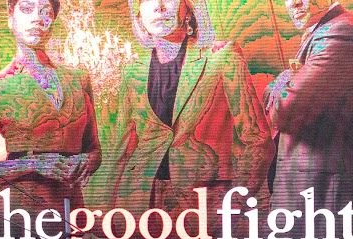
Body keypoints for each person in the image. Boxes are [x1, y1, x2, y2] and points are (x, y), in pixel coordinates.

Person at [88, 0, 270, 213]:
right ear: (138, 13)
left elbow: (257, 138)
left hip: (204, 203)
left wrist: (237, 199)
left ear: (188, 9)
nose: (158, 6)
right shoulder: (132, 72)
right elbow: (120, 150)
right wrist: (102, 215)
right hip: (137, 202)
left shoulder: (222, 57)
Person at [0, 0, 101, 207]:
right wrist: (33, 163)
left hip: (72, 207)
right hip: (21, 212)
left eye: (46, 12)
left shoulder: (79, 79)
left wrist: (87, 161)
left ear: (53, 21)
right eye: (27, 9)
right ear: (11, 18)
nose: (36, 18)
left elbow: (94, 149)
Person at [264, 0, 353, 213]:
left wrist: (282, 81)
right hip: (305, 199)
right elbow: (275, 96)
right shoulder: (323, 32)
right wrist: (285, 79)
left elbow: (283, 110)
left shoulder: (342, 32)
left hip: (317, 200)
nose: (295, 3)